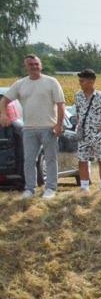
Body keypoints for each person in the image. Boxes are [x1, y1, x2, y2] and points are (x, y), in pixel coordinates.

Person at [4, 54, 66, 198]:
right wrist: (3, 115)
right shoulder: (20, 84)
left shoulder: (51, 82)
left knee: (50, 159)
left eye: (36, 64)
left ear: (41, 65)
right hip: (28, 129)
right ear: (26, 67)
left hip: (49, 128)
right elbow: (4, 100)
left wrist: (59, 124)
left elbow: (61, 104)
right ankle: (30, 189)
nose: (34, 67)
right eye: (31, 64)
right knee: (29, 160)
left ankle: (50, 188)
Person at [70, 69, 101, 194]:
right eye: (79, 81)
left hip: (99, 134)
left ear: (91, 81)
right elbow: (78, 112)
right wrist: (79, 125)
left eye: (82, 81)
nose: (80, 83)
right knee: (82, 160)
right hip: (83, 134)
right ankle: (84, 187)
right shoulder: (78, 96)